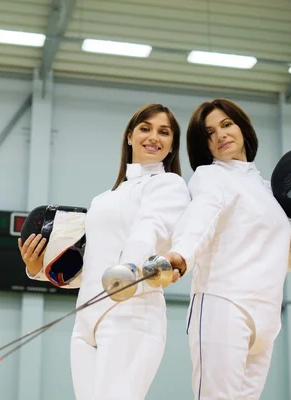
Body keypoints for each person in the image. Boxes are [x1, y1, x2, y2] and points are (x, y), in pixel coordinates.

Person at [165, 98, 291, 400]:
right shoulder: (211, 177)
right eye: (209, 133)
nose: (219, 136)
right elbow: (202, 216)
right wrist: (181, 254)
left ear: (242, 128)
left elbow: (283, 247)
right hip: (224, 304)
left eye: (226, 125)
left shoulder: (266, 190)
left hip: (267, 314)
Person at [18, 103, 191, 400]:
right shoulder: (104, 199)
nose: (153, 137)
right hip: (86, 319)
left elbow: (148, 228)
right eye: (145, 128)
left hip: (132, 312)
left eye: (164, 132)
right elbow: (93, 266)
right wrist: (38, 269)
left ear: (172, 144)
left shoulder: (169, 184)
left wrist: (130, 267)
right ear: (129, 136)